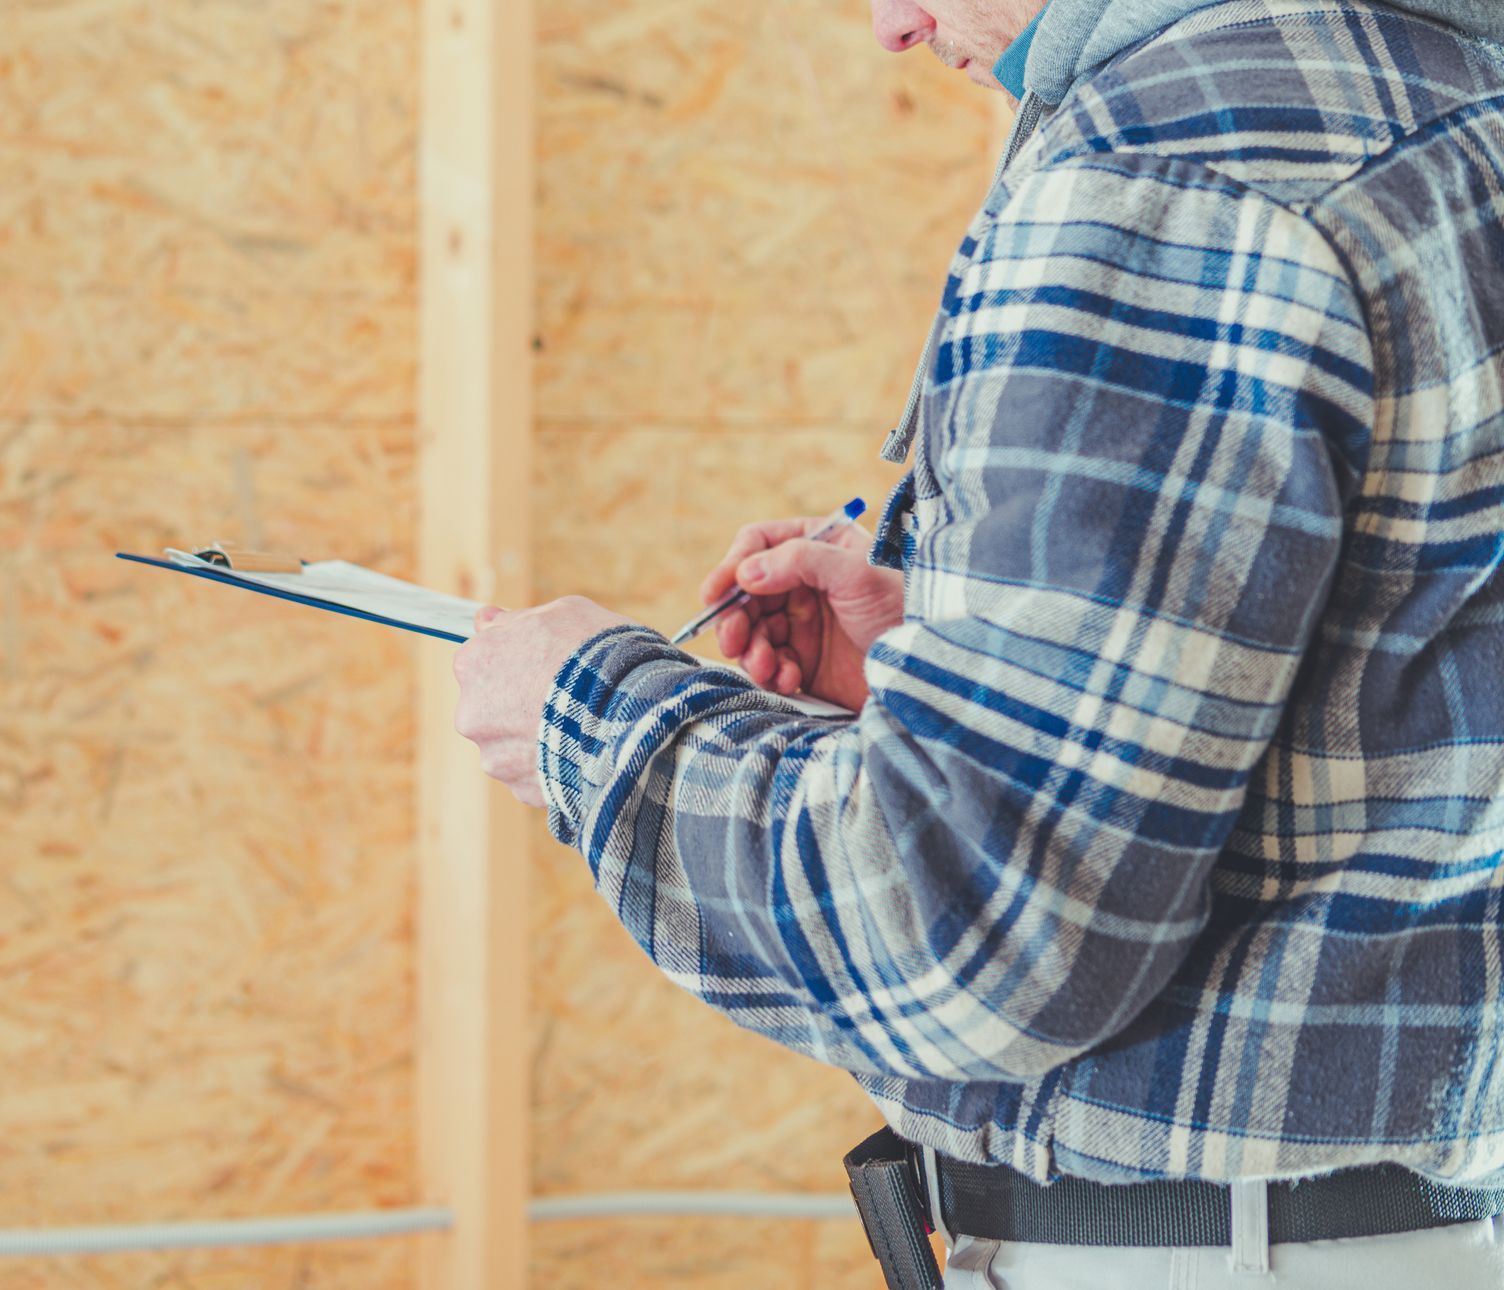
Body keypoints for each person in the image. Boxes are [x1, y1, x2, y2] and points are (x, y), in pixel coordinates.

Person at [452, 0, 1504, 1284]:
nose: (895, 27)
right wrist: (949, 657)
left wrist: (586, 715)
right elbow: (1385, 687)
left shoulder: (1178, 172)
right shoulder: (1447, 107)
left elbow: (976, 935)